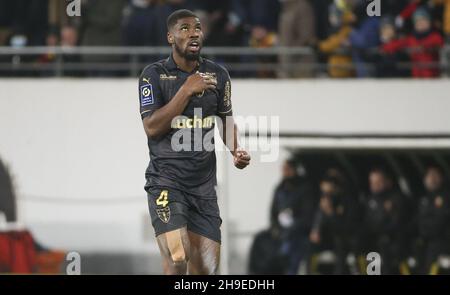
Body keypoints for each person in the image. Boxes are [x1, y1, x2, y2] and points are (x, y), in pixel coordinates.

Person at [138, 9, 251, 275]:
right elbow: (152, 127)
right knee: (178, 257)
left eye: (198, 28)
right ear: (170, 36)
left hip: (203, 189)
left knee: (207, 270)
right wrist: (187, 89)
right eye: (185, 28)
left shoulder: (218, 74)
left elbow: (225, 119)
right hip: (166, 182)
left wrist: (237, 150)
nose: (194, 33)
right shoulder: (153, 75)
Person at [270, 159, 316, 275]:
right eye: (284, 169)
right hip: (282, 236)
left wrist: (293, 225)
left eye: (288, 169)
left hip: (299, 236)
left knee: (294, 266)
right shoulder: (280, 189)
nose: (285, 172)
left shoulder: (305, 189)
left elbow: (308, 215)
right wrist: (276, 228)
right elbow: (273, 212)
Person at [361, 168, 407, 274]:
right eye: (372, 182)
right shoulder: (370, 200)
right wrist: (384, 212)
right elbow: (368, 223)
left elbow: (396, 223)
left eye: (378, 182)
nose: (374, 185)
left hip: (393, 242)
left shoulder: (397, 199)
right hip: (374, 241)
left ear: (388, 182)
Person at [416, 166, 450, 274]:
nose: (432, 179)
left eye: (435, 176)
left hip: (442, 246)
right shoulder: (423, 199)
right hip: (425, 247)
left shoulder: (446, 197)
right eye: (429, 176)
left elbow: (440, 221)